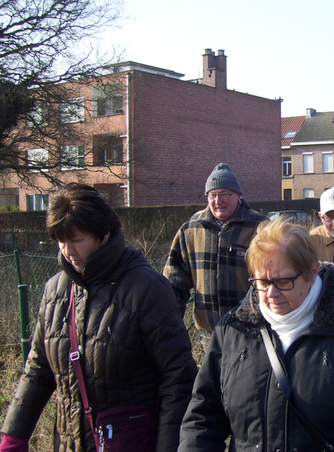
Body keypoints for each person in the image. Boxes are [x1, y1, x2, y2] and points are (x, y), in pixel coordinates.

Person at [178, 218, 334, 452]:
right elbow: (202, 421)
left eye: (283, 282)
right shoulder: (232, 331)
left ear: (313, 272)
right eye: (262, 282)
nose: (270, 294)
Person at [0, 183, 197, 452]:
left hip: (131, 442)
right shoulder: (55, 290)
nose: (67, 251)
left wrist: (168, 447)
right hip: (71, 441)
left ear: (103, 234)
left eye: (77, 240)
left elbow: (178, 377)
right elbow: (38, 369)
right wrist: (14, 435)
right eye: (60, 241)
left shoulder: (146, 288)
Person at [163, 163, 267, 331]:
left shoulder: (260, 227)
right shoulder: (191, 229)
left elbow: (273, 278)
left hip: (250, 330)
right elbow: (173, 283)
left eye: (224, 194)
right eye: (212, 195)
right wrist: (169, 326)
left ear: (238, 195)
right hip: (207, 332)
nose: (218, 201)